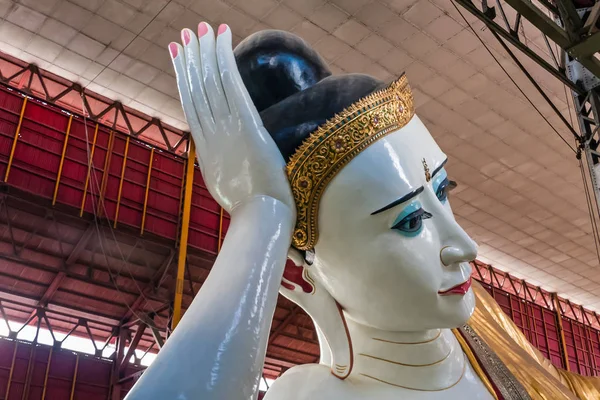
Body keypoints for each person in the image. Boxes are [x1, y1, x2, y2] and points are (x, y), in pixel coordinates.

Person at [124, 23, 600, 400]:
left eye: (443, 190)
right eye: (410, 222)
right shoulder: (312, 397)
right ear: (299, 273)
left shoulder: (482, 332)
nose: (464, 246)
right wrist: (261, 214)